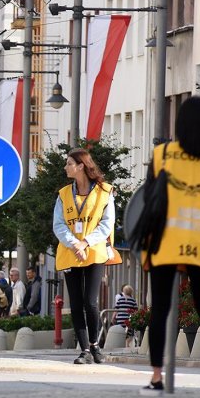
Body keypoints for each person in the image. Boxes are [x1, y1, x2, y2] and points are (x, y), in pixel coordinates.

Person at [140, 97, 200, 397]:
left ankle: (156, 378)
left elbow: (149, 200)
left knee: (160, 311)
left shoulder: (163, 155)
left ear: (179, 125)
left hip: (167, 243)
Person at [53, 147, 115, 365]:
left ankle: (95, 346)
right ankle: (84, 351)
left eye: (69, 163)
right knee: (77, 304)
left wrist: (85, 242)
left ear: (80, 166)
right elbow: (58, 225)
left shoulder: (104, 192)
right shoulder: (63, 194)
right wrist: (74, 244)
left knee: (91, 302)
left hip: (94, 251)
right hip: (71, 253)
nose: (65, 167)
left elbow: (107, 224)